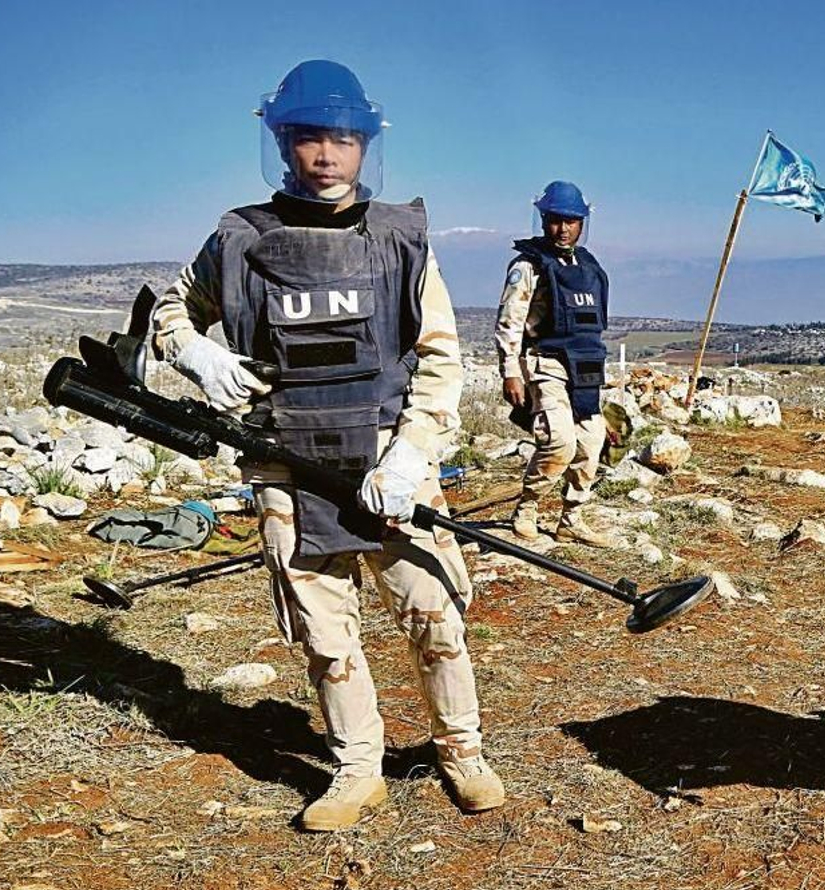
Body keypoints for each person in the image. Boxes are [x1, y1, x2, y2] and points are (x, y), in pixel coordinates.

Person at [150, 59, 505, 831]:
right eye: (309, 137)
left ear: (365, 144)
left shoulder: (400, 239)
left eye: (342, 138)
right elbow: (170, 314)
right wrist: (197, 353)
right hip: (287, 463)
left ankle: (463, 753)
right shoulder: (239, 240)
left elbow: (441, 357)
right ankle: (356, 770)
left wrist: (411, 454)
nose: (326, 155)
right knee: (323, 630)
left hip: (389, 459)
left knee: (434, 613)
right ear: (283, 142)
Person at [494, 181, 613, 547]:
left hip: (585, 368)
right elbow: (510, 321)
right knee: (559, 442)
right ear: (544, 220)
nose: (563, 229)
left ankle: (571, 519)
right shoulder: (528, 265)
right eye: (556, 220)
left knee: (590, 444)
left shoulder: (589, 266)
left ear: (582, 223)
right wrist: (510, 372)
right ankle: (527, 509)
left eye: (571, 221)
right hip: (545, 363)